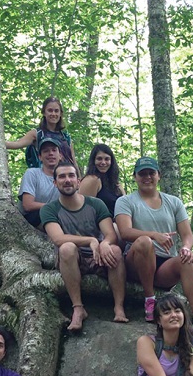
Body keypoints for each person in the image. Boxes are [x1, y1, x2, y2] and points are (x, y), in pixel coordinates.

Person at [114, 156, 193, 347]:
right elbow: (125, 232)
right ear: (135, 177)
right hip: (137, 260)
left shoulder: (173, 202)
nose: (147, 177)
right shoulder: (125, 201)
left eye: (151, 173)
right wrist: (154, 235)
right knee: (144, 242)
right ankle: (150, 300)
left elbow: (187, 235)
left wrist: (185, 248)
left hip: (165, 264)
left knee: (187, 259)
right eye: (142, 174)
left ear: (159, 176)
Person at [40, 161, 128, 329]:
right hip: (73, 259)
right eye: (62, 177)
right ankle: (78, 308)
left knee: (115, 250)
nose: (67, 180)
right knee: (66, 248)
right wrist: (90, 240)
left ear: (78, 181)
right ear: (55, 182)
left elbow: (110, 234)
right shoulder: (49, 209)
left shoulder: (95, 204)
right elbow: (58, 239)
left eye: (71, 176)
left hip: (98, 256)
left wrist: (105, 243)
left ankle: (119, 307)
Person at [5, 96, 76, 168]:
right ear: (44, 113)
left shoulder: (66, 137)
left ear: (60, 114)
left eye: (56, 111)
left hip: (65, 177)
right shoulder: (37, 134)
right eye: (50, 110)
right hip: (43, 176)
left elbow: (73, 162)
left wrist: (79, 178)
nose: (53, 114)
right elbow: (16, 144)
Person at [18, 139, 61, 227]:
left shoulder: (66, 177)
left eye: (54, 150)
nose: (51, 153)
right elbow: (28, 205)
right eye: (46, 151)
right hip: (31, 219)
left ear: (60, 155)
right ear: (40, 157)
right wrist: (56, 207)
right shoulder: (32, 173)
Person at [79, 144, 123, 214]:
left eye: (107, 159)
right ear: (93, 160)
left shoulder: (116, 184)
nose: (103, 162)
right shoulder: (92, 180)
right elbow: (83, 212)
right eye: (99, 159)